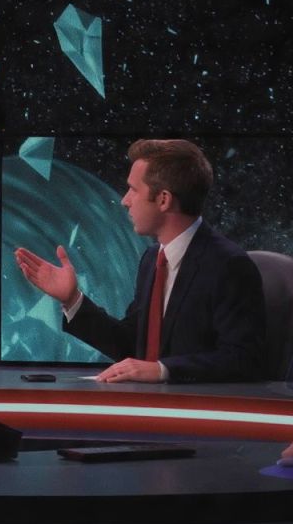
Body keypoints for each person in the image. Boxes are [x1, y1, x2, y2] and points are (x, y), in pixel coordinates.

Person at [14, 139, 267, 383]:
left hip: (198, 408)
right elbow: (131, 344)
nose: (125, 200)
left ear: (164, 200)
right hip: (147, 403)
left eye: (134, 190)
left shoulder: (228, 265)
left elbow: (243, 359)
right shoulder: (152, 260)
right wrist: (72, 300)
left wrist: (162, 370)